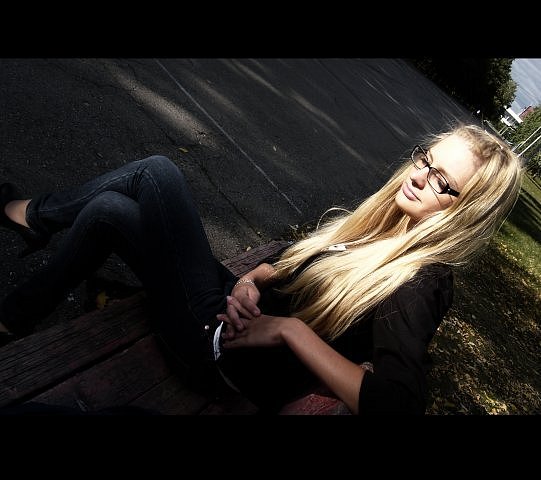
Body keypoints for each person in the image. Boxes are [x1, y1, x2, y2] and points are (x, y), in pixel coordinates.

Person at [0, 123, 523, 415]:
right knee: (111, 210)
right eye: (425, 158)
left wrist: (289, 331)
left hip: (220, 352)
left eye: (442, 182)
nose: (420, 175)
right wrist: (251, 281)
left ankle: (29, 218)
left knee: (156, 173)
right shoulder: (390, 226)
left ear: (464, 211)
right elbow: (293, 262)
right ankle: (12, 316)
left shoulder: (423, 281)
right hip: (233, 309)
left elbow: (398, 407)